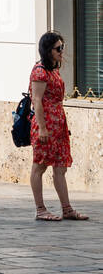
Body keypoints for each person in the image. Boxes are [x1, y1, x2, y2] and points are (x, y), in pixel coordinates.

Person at [29, 32, 87, 222]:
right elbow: (36, 100)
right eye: (58, 48)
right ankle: (40, 209)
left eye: (62, 47)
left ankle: (67, 208)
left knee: (60, 167)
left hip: (59, 125)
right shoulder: (40, 71)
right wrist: (43, 128)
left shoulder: (53, 69)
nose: (62, 51)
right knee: (40, 166)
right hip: (45, 124)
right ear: (48, 50)